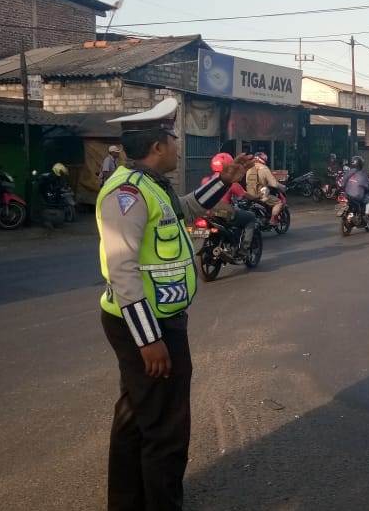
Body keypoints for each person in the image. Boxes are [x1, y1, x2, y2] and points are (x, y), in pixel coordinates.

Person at [96, 98, 252, 511]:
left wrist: (228, 179)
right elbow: (122, 269)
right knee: (166, 430)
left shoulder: (150, 185)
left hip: (156, 321)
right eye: (174, 139)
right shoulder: (126, 194)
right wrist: (149, 339)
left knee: (136, 417)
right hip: (147, 325)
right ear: (158, 146)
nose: (179, 146)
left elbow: (187, 207)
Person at [202, 152, 257, 256]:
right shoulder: (231, 182)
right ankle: (244, 249)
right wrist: (257, 197)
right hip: (224, 212)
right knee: (251, 217)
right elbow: (245, 195)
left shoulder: (206, 180)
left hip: (208, 212)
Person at [245, 152, 285, 225]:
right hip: (261, 196)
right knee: (279, 202)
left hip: (249, 195)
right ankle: (273, 220)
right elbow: (274, 184)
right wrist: (283, 187)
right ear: (263, 159)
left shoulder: (249, 168)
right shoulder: (264, 168)